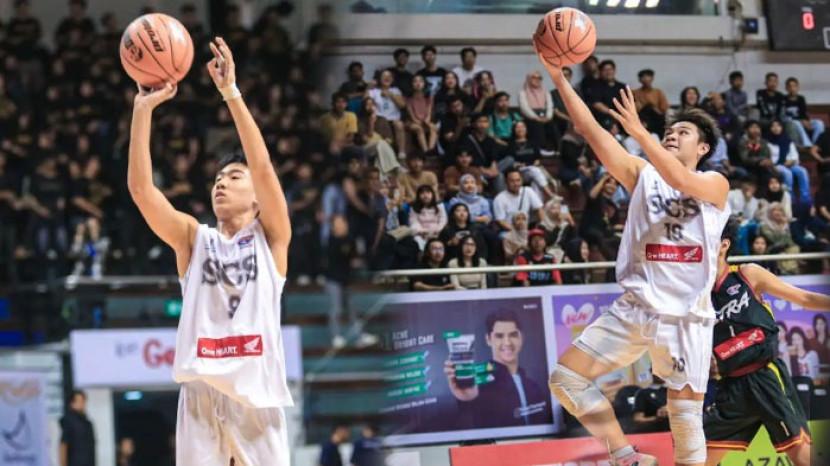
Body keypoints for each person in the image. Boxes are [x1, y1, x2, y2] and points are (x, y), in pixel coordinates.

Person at [537, 43, 730, 466]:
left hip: (685, 316)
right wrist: (558, 78)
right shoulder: (642, 174)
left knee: (685, 421)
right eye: (670, 130)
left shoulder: (715, 183)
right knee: (566, 380)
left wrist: (642, 135)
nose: (672, 134)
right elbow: (591, 130)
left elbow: (680, 178)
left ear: (702, 148)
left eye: (683, 132)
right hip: (635, 307)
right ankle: (625, 457)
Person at [128, 39, 292, 465]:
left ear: (256, 198)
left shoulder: (272, 238)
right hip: (201, 394)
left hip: (257, 395)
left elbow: (263, 167)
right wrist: (142, 111)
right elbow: (142, 191)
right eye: (218, 178)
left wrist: (230, 92)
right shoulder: (193, 238)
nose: (221, 182)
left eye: (234, 177)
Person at [704, 219, 829, 466]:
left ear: (723, 245)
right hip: (731, 386)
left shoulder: (747, 274)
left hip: (766, 376)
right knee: (695, 460)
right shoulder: (696, 294)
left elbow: (804, 298)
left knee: (803, 458)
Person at [444, 309, 551, 427]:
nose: (507, 342)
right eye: (499, 336)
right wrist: (466, 399)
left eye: (513, 335)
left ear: (521, 338)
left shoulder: (534, 387)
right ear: (488, 340)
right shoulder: (478, 385)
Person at [767, 119, 811, 205]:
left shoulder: (788, 140)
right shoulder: (768, 142)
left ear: (782, 128)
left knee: (802, 171)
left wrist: (792, 161)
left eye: (778, 126)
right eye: (773, 126)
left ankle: (805, 198)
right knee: (787, 173)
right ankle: (790, 198)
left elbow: (794, 155)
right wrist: (777, 164)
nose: (776, 128)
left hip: (790, 164)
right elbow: (769, 157)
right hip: (776, 165)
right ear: (770, 128)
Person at [783, 77, 825, 147]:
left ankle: (816, 144)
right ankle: (807, 144)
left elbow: (803, 112)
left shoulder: (801, 98)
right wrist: (801, 120)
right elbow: (785, 115)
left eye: (794, 86)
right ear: (786, 88)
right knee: (796, 122)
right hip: (792, 122)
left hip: (802, 120)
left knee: (819, 123)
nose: (792, 88)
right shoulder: (784, 99)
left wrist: (807, 121)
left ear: (798, 87)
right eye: (790, 86)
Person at [518, 71, 555, 148]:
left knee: (553, 127)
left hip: (545, 117)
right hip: (531, 118)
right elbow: (525, 108)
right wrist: (536, 118)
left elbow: (550, 105)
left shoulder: (546, 92)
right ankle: (540, 149)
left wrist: (548, 117)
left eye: (539, 78)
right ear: (529, 79)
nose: (537, 80)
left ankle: (552, 150)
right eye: (534, 77)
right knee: (537, 127)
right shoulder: (523, 93)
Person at [60, 390, 95, 466]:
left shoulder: (88, 423)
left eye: (83, 401)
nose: (82, 404)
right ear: (72, 403)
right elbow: (63, 445)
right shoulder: (69, 421)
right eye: (79, 401)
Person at [405, 75, 437, 153]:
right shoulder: (409, 99)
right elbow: (412, 115)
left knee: (433, 127)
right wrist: (418, 121)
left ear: (424, 84)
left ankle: (431, 150)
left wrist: (427, 120)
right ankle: (425, 151)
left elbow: (429, 112)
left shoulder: (429, 98)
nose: (418, 83)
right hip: (412, 121)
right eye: (415, 81)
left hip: (425, 120)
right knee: (419, 129)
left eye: (420, 81)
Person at [409, 184, 447, 250]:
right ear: (418, 196)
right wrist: (422, 231)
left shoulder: (440, 206)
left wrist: (437, 230)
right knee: (416, 241)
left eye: (428, 192)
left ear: (432, 194)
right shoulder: (414, 208)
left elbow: (443, 220)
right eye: (422, 193)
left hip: (437, 232)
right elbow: (414, 222)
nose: (425, 195)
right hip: (421, 234)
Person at [632, 69, 669, 135]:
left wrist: (653, 107)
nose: (646, 79)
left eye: (648, 76)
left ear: (652, 78)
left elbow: (664, 108)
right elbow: (634, 109)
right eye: (643, 77)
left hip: (656, 118)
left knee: (650, 107)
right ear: (639, 80)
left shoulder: (658, 92)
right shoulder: (635, 92)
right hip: (641, 118)